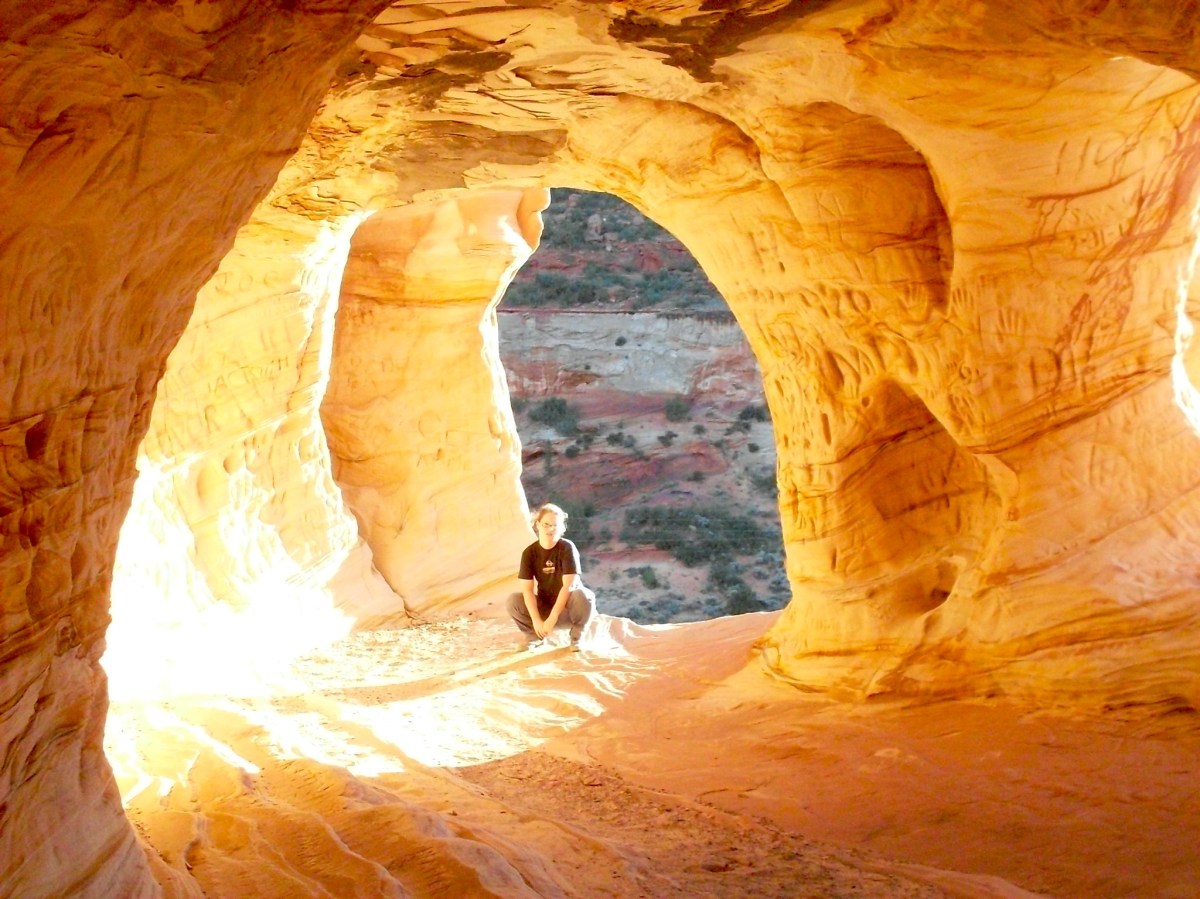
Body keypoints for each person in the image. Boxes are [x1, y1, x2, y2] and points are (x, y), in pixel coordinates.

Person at [506, 503, 596, 651]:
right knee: (513, 600)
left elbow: (568, 586)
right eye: (546, 524)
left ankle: (576, 638)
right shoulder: (529, 553)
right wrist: (536, 621)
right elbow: (527, 590)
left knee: (585, 595)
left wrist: (553, 617)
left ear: (562, 528)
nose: (550, 529)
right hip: (545, 607)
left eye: (555, 525)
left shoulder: (567, 548)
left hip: (568, 610)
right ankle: (534, 637)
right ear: (538, 525)